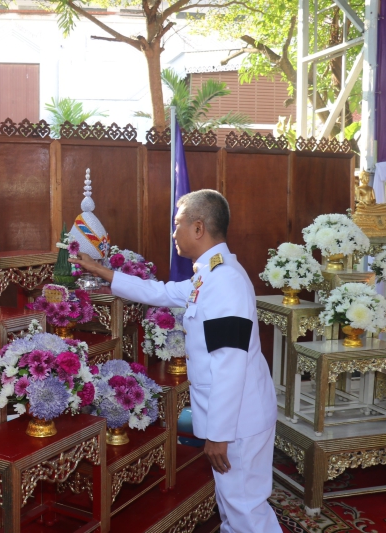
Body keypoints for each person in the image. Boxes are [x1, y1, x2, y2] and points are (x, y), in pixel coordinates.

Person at [70, 189, 280, 533]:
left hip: (238, 422)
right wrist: (102, 272)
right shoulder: (210, 274)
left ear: (199, 228)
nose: (173, 233)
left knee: (246, 510)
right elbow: (163, 292)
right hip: (239, 417)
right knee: (234, 507)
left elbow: (230, 363)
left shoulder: (224, 281)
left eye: (177, 224)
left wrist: (219, 434)